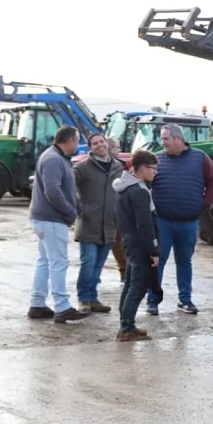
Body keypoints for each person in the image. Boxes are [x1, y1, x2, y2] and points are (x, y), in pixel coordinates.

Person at [146, 124, 213, 316]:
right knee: (157, 261)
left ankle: (185, 300)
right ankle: (153, 300)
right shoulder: (157, 159)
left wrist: (205, 203)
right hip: (162, 221)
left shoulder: (200, 158)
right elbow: (144, 181)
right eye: (162, 139)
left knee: (184, 261)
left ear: (178, 139)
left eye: (165, 139)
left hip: (189, 222)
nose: (163, 143)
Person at [27, 126, 88, 323]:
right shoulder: (54, 159)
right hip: (51, 220)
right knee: (58, 263)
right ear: (69, 141)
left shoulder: (57, 158)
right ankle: (62, 307)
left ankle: (37, 304)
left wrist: (77, 205)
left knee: (45, 261)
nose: (78, 145)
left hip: (45, 219)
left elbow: (64, 188)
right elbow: (52, 191)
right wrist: (70, 213)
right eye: (77, 141)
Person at [113, 149, 161, 342]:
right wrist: (153, 250)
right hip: (139, 245)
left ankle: (127, 324)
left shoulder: (123, 187)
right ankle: (126, 329)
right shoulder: (139, 191)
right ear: (141, 169)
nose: (155, 172)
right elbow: (145, 224)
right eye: (153, 169)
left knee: (130, 285)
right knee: (137, 288)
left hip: (128, 242)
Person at [73, 132, 124, 313]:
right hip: (89, 223)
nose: (100, 145)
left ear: (107, 144)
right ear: (90, 148)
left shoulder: (118, 167)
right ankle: (83, 299)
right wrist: (80, 208)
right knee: (88, 262)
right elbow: (68, 187)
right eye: (95, 143)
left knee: (98, 264)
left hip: (110, 224)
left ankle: (93, 298)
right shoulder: (82, 168)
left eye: (102, 141)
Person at [107, 136, 129, 282]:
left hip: (118, 211)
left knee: (119, 243)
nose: (119, 150)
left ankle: (124, 272)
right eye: (116, 147)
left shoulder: (122, 166)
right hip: (103, 213)